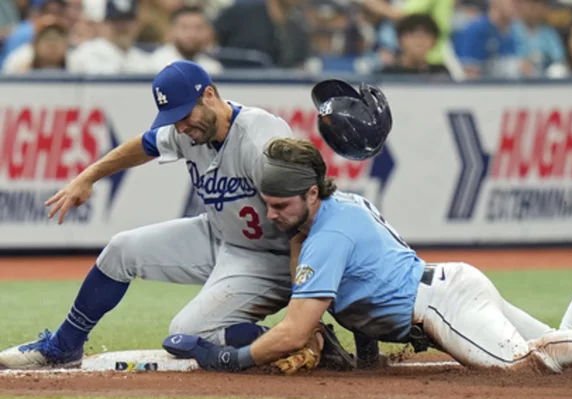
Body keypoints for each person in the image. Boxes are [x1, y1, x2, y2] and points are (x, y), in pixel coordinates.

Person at [162, 82, 572, 383]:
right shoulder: (341, 206)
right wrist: (367, 357)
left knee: (529, 362)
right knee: (564, 336)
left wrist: (224, 356)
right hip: (450, 283)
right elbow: (359, 288)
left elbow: (292, 331)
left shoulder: (324, 234)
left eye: (279, 203)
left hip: (437, 305)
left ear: (308, 193)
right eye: (267, 203)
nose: (271, 213)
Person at [0, 60, 355, 371]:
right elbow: (145, 144)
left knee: (186, 334)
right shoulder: (188, 130)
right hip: (222, 236)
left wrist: (305, 295)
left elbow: (306, 209)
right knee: (121, 250)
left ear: (210, 95)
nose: (181, 126)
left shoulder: (260, 135)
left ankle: (309, 340)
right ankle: (63, 346)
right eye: (174, 118)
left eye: (185, 115)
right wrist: (89, 176)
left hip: (271, 256)